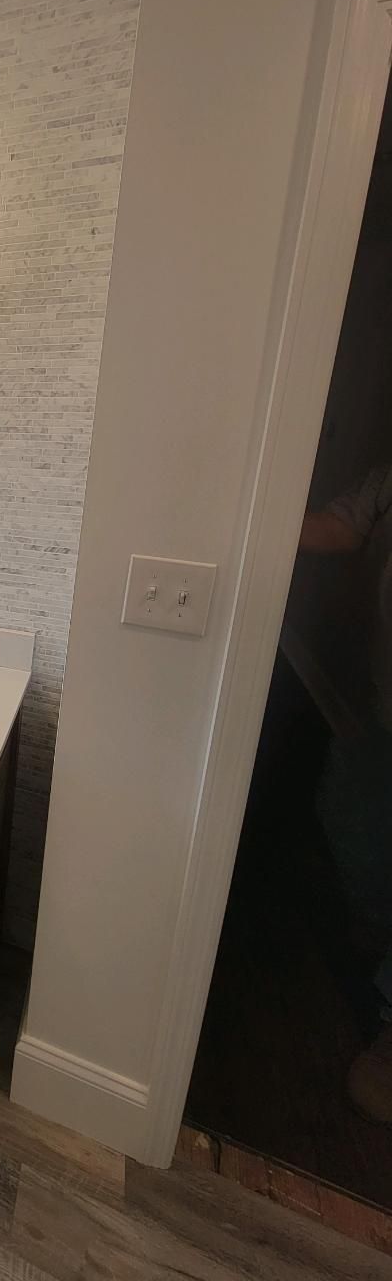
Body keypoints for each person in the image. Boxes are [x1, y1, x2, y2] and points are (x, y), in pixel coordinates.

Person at [301, 461, 392, 1125]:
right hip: (381, 699)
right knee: (347, 810)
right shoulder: (387, 481)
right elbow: (338, 527)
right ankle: (377, 925)